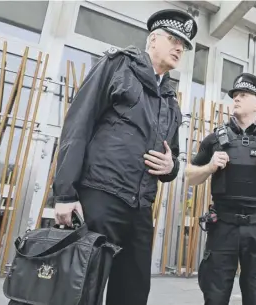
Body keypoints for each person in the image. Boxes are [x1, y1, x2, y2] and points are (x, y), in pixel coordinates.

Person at [52, 9, 198, 305]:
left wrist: (171, 167)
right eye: (173, 39)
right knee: (82, 287)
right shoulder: (116, 66)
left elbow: (174, 159)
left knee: (132, 293)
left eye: (184, 44)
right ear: (153, 39)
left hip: (141, 207)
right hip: (100, 197)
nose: (179, 47)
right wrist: (64, 193)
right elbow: (78, 125)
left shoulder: (171, 102)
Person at [185, 73, 256, 305]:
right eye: (235, 95)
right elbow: (189, 176)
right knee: (214, 296)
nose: (236, 99)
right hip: (223, 227)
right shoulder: (214, 140)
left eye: (243, 95)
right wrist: (209, 166)